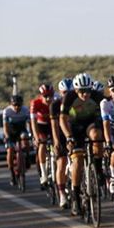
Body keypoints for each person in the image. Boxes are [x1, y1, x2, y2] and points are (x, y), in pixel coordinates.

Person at [59, 73, 104, 214]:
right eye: (81, 91)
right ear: (76, 90)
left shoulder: (97, 96)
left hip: (90, 124)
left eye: (88, 91)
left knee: (97, 136)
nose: (85, 94)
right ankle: (76, 198)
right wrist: (68, 137)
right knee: (77, 161)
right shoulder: (69, 97)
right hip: (74, 127)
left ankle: (98, 169)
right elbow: (62, 119)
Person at [51, 78, 73, 207]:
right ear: (60, 92)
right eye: (65, 93)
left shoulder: (77, 102)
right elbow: (54, 126)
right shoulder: (55, 105)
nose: (67, 96)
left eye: (70, 93)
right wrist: (56, 142)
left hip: (73, 133)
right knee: (62, 162)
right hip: (60, 134)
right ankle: (62, 195)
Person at [3, 95, 31, 185]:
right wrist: (7, 136)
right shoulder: (7, 111)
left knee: (25, 140)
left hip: (21, 130)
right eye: (15, 105)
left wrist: (30, 134)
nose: (17, 107)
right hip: (11, 132)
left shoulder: (25, 110)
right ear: (11, 104)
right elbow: (5, 127)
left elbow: (29, 123)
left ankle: (27, 157)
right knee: (10, 151)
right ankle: (12, 173)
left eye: (19, 105)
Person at [30, 84, 54, 187]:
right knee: (42, 144)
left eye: (50, 96)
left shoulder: (56, 101)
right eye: (45, 96)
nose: (48, 98)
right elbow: (33, 122)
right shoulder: (35, 103)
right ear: (41, 96)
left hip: (52, 125)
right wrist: (36, 137)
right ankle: (43, 173)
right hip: (40, 125)